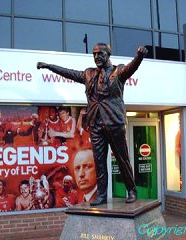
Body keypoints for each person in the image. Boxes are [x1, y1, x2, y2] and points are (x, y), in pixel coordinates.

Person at [37, 43, 147, 205]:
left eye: (100, 54)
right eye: (94, 54)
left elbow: (132, 67)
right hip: (95, 125)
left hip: (114, 124)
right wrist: (49, 66)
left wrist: (139, 56)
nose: (97, 57)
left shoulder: (118, 72)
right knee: (99, 162)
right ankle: (101, 195)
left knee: (122, 159)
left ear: (108, 54)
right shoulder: (88, 74)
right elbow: (68, 73)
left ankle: (131, 190)